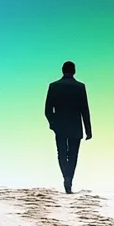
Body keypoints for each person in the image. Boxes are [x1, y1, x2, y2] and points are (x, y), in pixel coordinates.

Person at [44, 60, 92, 193]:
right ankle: (69, 179)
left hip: (60, 126)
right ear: (74, 71)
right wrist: (88, 130)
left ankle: (66, 176)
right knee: (73, 155)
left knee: (61, 153)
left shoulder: (54, 86)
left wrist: (53, 124)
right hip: (75, 126)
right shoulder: (80, 87)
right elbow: (85, 110)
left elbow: (48, 110)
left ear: (62, 70)